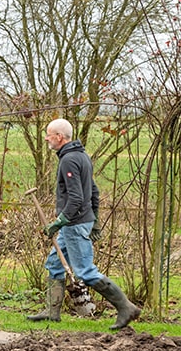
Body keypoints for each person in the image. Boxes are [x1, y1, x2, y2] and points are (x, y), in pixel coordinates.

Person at [28, 118, 141, 329]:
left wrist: (59, 222)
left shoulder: (69, 160)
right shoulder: (82, 156)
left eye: (49, 135)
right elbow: (94, 191)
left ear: (59, 137)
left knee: (85, 271)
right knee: (54, 264)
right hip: (79, 222)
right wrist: (95, 221)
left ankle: (126, 307)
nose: (46, 138)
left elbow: (77, 198)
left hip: (74, 224)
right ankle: (52, 312)